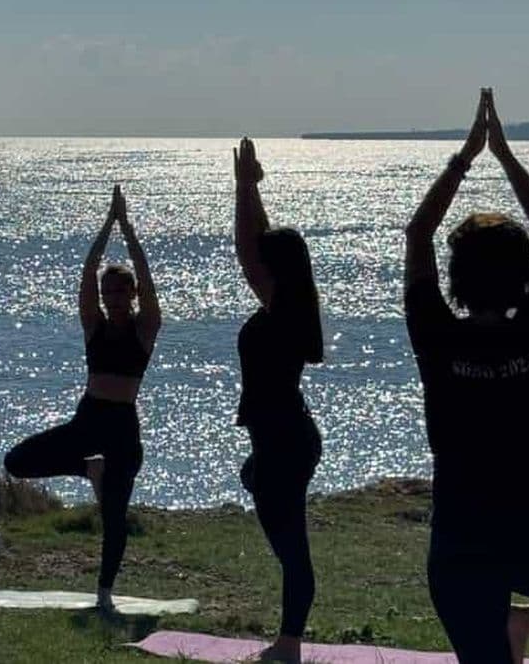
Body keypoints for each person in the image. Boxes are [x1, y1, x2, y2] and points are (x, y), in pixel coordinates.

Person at [405, 90, 529, 663]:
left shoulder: (438, 337)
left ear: (456, 277)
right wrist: (506, 155)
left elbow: (418, 236)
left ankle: (518, 626)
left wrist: (466, 157)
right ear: (525, 275)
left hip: (463, 542)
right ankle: (522, 625)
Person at [4, 184, 160, 611]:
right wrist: (106, 223)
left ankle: (104, 594)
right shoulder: (93, 326)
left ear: (131, 296)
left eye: (119, 291)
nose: (111, 297)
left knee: (115, 517)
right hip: (88, 420)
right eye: (107, 292)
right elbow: (88, 270)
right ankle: (86, 468)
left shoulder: (145, 330)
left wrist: (127, 228)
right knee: (16, 461)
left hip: (122, 428)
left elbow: (145, 275)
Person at [233, 138, 324, 664]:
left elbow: (249, 250)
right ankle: (288, 638)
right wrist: (252, 190)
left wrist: (244, 189)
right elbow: (259, 246)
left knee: (292, 549)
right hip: (286, 436)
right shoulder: (291, 302)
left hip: (285, 441)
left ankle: (289, 645)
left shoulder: (283, 309)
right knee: (282, 528)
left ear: (277, 270)